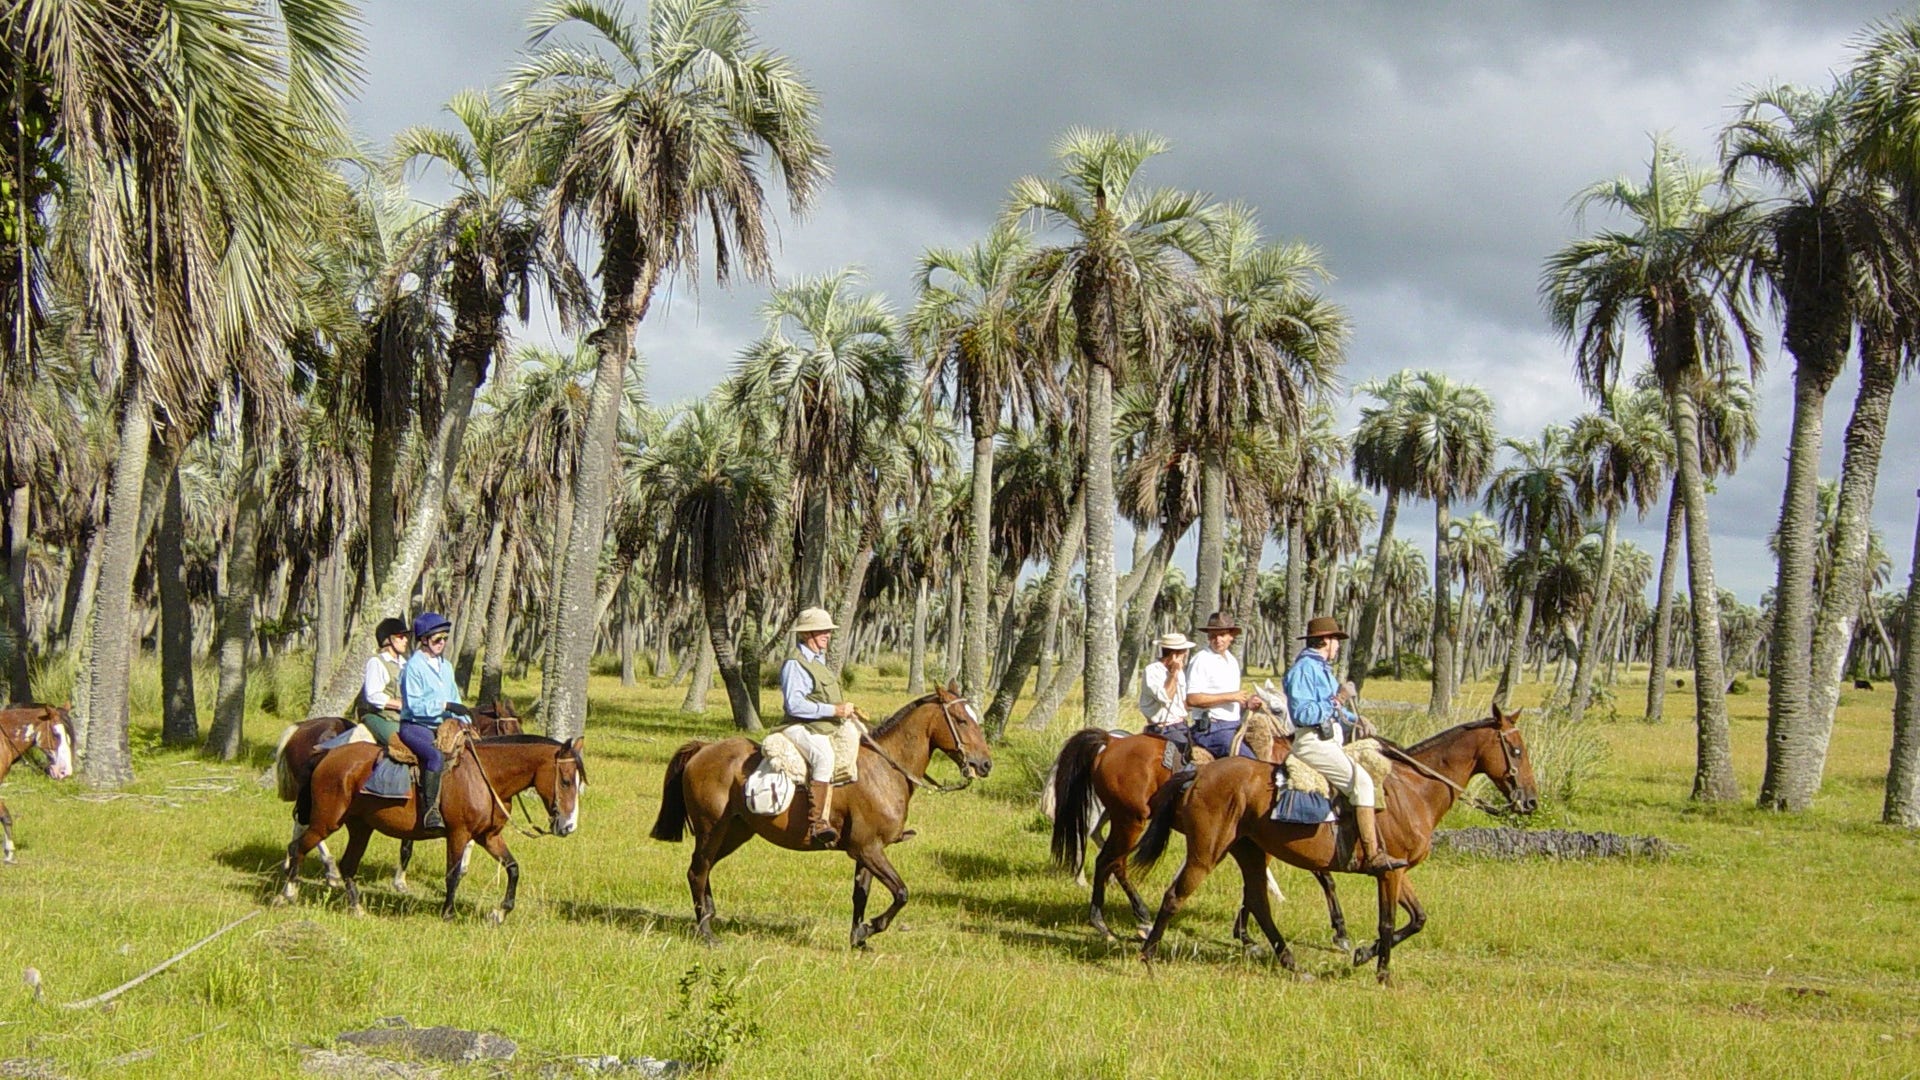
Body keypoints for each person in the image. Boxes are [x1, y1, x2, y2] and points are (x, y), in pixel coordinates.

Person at [1283, 615, 1406, 874]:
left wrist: (1357, 721)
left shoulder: (1321, 669)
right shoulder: (1304, 669)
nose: (1338, 646)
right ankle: (1372, 854)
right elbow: (1304, 714)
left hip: (1330, 740)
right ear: (1325, 640)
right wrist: (1338, 698)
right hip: (1312, 741)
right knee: (1362, 782)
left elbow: (1334, 710)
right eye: (1336, 640)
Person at [777, 607, 861, 848]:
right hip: (798, 725)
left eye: (827, 630)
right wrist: (834, 710)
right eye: (821, 631)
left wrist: (844, 711)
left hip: (821, 725)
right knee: (824, 757)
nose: (827, 635)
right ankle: (817, 823)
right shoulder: (795, 664)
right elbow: (794, 705)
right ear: (806, 634)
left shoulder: (819, 661)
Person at [398, 611, 469, 831]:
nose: (442, 643)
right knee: (435, 756)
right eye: (438, 639)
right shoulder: (413, 667)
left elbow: (455, 699)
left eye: (445, 639)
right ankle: (431, 811)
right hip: (415, 726)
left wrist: (465, 720)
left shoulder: (446, 666)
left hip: (443, 725)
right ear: (424, 640)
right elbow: (415, 705)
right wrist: (444, 706)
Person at [1184, 612, 1264, 760]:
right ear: (1208, 637)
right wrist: (1231, 697)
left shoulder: (1232, 661)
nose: (1218, 639)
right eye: (1213, 635)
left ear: (1231, 636)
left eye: (1222, 634)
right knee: (1250, 762)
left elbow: (1232, 702)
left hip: (1233, 724)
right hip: (1211, 729)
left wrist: (1246, 703)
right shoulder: (1201, 660)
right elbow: (1192, 699)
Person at [1136, 632, 1196, 758]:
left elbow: (1182, 701)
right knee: (1186, 760)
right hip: (1164, 728)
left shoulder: (1180, 672)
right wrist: (1174, 673)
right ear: (1175, 654)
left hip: (1181, 725)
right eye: (1183, 653)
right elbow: (1166, 697)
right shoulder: (1153, 671)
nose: (1185, 655)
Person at [358, 617, 410, 748]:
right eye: (401, 636)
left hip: (402, 718)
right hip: (378, 717)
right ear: (389, 640)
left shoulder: (405, 664)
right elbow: (373, 695)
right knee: (403, 746)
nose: (406, 640)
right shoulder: (377, 662)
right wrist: (400, 705)